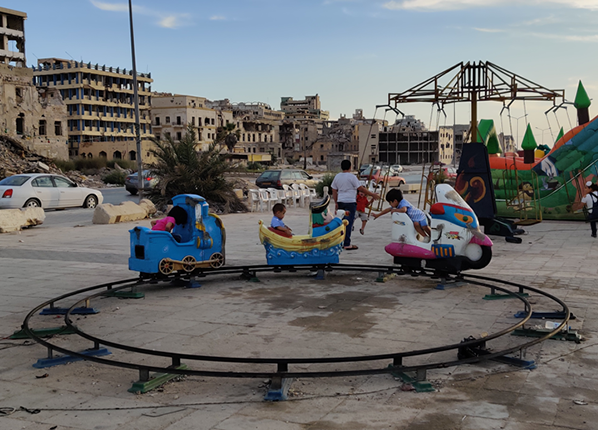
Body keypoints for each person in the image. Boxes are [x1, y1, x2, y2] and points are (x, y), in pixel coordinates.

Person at [331, 160, 380, 250]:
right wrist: (372, 194)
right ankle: (347, 244)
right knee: (348, 223)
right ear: (350, 167)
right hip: (350, 202)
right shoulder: (352, 177)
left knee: (341, 223)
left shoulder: (337, 177)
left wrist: (336, 202)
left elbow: (334, 190)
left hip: (341, 201)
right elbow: (360, 188)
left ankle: (339, 241)